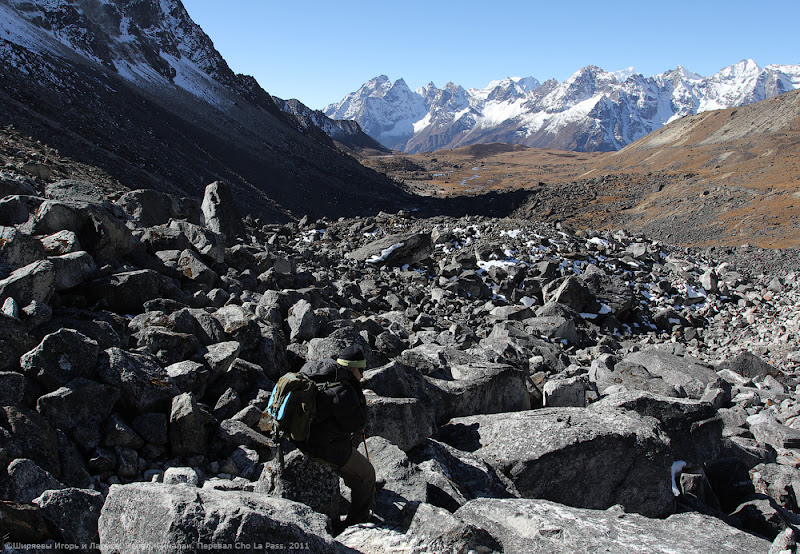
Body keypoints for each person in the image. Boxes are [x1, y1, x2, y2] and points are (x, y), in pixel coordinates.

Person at [291, 344, 376, 528]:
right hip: (323, 446)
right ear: (352, 367)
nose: (362, 375)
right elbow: (357, 424)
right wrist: (360, 399)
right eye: (361, 370)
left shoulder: (320, 372)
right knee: (367, 473)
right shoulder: (343, 390)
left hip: (299, 436)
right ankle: (358, 518)